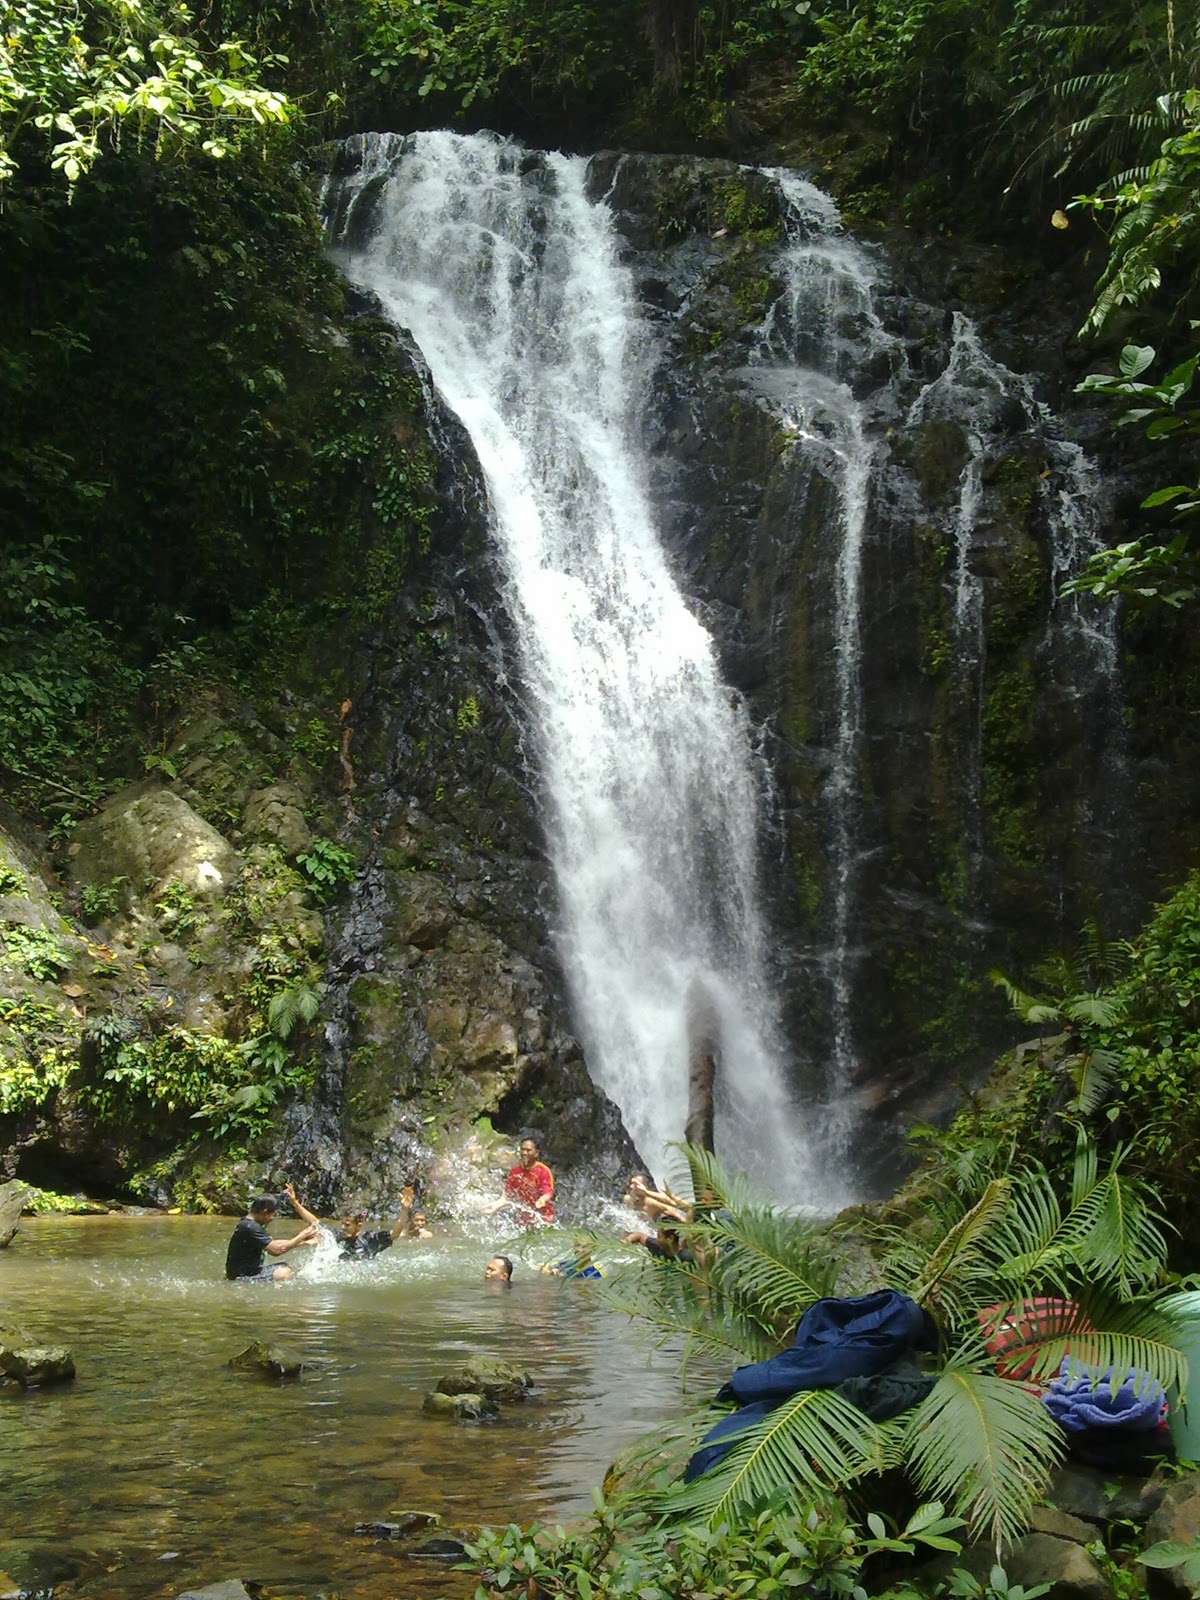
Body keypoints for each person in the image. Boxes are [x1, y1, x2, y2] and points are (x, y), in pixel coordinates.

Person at [283, 1181, 417, 1262]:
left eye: (347, 1225)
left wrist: (405, 1210)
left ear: (359, 1224)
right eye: (342, 1223)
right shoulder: (338, 1236)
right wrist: (295, 1203)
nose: (343, 1227)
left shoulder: (370, 1239)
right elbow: (314, 1222)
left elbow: (395, 1234)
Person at [225, 1195, 318, 1281]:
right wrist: (302, 1235)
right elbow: (276, 1250)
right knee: (283, 1272)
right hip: (242, 1277)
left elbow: (273, 1243)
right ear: (264, 1211)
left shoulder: (248, 1223)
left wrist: (304, 1241)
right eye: (273, 1215)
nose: (272, 1219)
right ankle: (278, 1297)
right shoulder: (251, 1227)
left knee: (284, 1266)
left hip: (247, 1272)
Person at [485, 1137, 555, 1227]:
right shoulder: (515, 1171)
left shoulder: (543, 1171)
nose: (525, 1153)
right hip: (523, 1217)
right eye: (522, 1150)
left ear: (536, 1153)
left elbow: (548, 1192)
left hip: (543, 1216)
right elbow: (506, 1196)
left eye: (528, 1150)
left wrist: (542, 1200)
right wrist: (495, 1205)